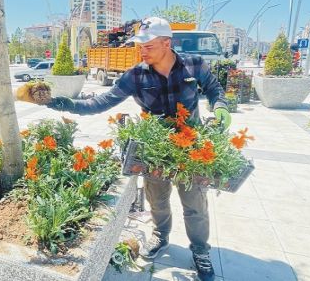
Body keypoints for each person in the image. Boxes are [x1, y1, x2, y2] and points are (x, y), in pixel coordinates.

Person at [44, 17, 230, 281]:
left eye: (148, 45)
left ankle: (200, 250)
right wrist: (62, 103)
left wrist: (220, 106)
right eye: (140, 45)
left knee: (195, 205)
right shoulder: (136, 75)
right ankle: (160, 236)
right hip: (154, 149)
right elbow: (101, 102)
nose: (142, 50)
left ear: (167, 43)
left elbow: (214, 88)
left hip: (191, 148)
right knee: (158, 200)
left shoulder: (194, 65)